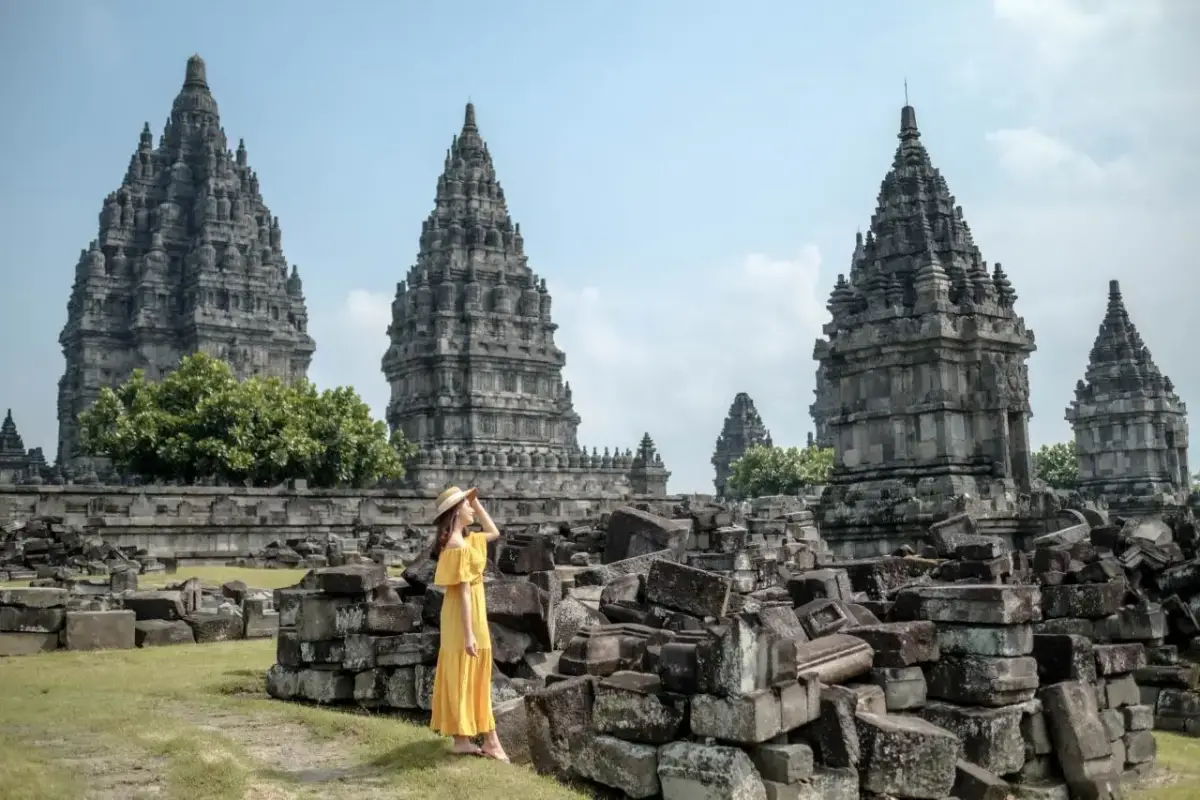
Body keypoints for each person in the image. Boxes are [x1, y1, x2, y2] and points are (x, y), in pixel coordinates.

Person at [428, 485, 509, 762]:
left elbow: (494, 532)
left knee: (472, 674)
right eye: (467, 505)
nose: (472, 509)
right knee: (469, 672)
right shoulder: (456, 544)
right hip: (465, 616)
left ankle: (463, 739)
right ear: (455, 511)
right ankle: (491, 740)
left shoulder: (464, 539)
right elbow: (462, 592)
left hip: (470, 611)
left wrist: (476, 501)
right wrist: (469, 634)